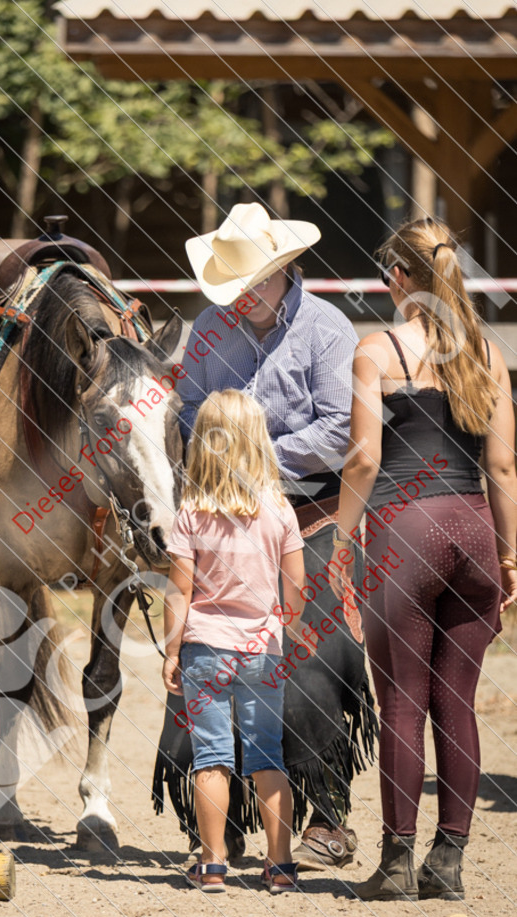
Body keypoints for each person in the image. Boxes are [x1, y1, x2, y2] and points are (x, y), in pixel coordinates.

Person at [169, 201, 377, 870]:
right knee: (206, 649)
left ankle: (328, 817)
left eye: (254, 281)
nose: (244, 295)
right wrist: (219, 464)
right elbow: (186, 411)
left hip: (312, 509)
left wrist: (250, 460)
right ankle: (219, 827)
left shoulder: (326, 329)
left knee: (314, 651)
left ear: (284, 269)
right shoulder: (208, 328)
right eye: (236, 283)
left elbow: (339, 428)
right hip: (221, 512)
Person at [330, 217, 517, 901]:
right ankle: (449, 861)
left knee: (402, 702)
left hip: (404, 531)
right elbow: (502, 466)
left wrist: (341, 540)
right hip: (473, 531)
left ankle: (396, 863)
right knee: (456, 704)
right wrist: (508, 557)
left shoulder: (376, 351)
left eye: (389, 273)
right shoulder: (487, 354)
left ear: (401, 277)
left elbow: (363, 460)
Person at [162, 389, 308, 893]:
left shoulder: (190, 513)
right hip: (262, 651)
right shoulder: (280, 511)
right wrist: (287, 631)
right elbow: (296, 588)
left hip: (205, 648)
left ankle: (212, 864)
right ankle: (281, 865)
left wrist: (172, 650)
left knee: (211, 757)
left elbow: (178, 592)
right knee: (267, 756)